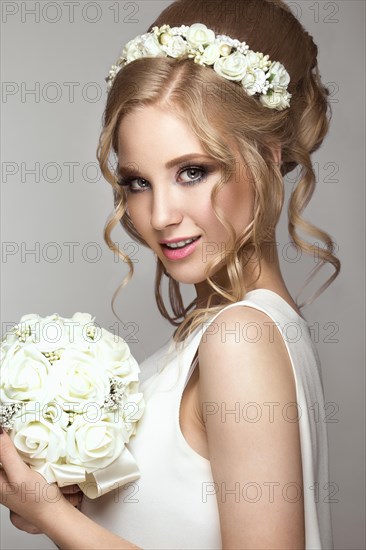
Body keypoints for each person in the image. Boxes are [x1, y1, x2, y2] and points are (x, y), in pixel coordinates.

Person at [0, 0, 340, 548]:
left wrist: (54, 519)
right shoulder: (235, 328)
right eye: (138, 181)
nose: (159, 216)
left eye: (192, 171)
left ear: (270, 158)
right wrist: (84, 507)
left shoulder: (241, 337)